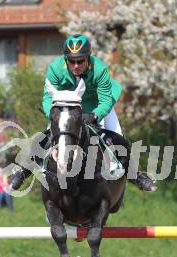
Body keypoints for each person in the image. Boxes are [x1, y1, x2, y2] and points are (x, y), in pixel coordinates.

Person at [9, 34, 156, 192]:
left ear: (88, 58)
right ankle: (23, 171)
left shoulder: (99, 69)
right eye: (72, 61)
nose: (76, 66)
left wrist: (95, 115)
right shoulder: (55, 69)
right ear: (66, 60)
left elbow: (106, 100)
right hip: (66, 108)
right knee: (46, 137)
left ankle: (135, 175)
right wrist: (53, 114)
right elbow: (47, 98)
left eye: (80, 61)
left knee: (117, 136)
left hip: (96, 105)